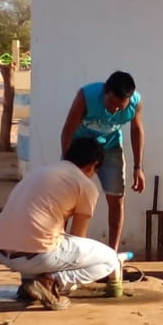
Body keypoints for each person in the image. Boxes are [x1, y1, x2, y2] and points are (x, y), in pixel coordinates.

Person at [0, 137, 122, 311]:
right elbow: (78, 237)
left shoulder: (40, 172)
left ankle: (30, 283)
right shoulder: (85, 186)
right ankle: (51, 283)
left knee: (50, 240)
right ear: (93, 165)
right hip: (36, 255)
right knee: (110, 259)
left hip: (0, 249)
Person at [59, 70, 145, 252]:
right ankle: (57, 248)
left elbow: (136, 131)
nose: (114, 109)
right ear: (105, 92)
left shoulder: (135, 103)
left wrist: (138, 167)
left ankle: (112, 254)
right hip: (81, 146)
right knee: (68, 197)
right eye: (111, 103)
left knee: (117, 199)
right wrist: (67, 164)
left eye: (119, 107)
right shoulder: (86, 96)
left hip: (111, 147)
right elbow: (67, 130)